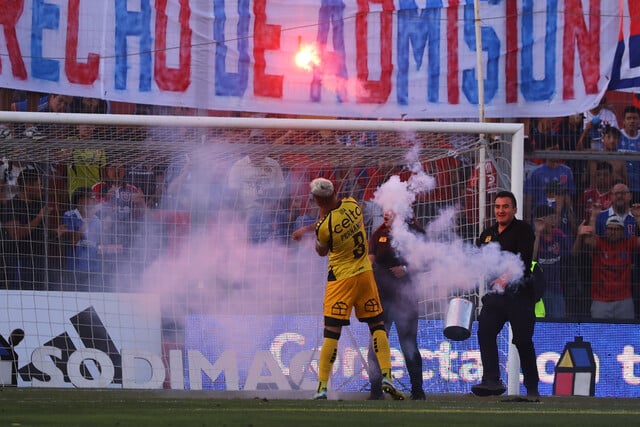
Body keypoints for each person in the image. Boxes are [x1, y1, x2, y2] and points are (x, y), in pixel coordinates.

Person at [294, 177, 405, 400]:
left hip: (341, 280)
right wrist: (308, 228)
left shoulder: (324, 227)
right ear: (334, 192)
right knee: (377, 326)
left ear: (317, 200)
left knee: (331, 332)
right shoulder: (353, 205)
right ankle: (387, 376)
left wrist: (309, 233)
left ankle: (322, 388)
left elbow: (321, 251)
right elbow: (332, 216)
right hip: (365, 275)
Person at [471, 191, 539, 397]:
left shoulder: (523, 230)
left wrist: (505, 277)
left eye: (505, 206)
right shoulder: (487, 234)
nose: (501, 210)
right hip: (496, 295)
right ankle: (491, 380)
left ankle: (532, 388)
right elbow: (478, 260)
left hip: (519, 294)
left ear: (514, 209)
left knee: (522, 341)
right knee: (485, 331)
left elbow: (524, 259)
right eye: (498, 206)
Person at [366, 210, 425, 400]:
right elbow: (369, 261)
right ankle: (375, 391)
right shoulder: (378, 234)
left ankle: (418, 392)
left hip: (405, 299)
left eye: (391, 209)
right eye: (384, 209)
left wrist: (406, 269)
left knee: (408, 345)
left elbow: (426, 261)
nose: (386, 214)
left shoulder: (415, 233)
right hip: (381, 298)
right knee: (375, 345)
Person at [572, 210, 640, 320]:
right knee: (599, 330)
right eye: (610, 229)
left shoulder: (628, 243)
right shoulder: (600, 243)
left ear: (622, 231)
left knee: (626, 330)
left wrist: (638, 219)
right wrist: (593, 217)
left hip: (624, 300)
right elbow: (588, 241)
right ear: (605, 230)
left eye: (616, 229)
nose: (613, 232)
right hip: (601, 301)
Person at [0, 168, 54, 290]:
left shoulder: (39, 204)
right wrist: (39, 217)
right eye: (39, 184)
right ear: (28, 184)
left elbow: (40, 233)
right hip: (19, 261)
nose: (41, 188)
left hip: (40, 261)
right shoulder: (12, 205)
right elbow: (16, 234)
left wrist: (56, 232)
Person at [532, 205, 571, 319]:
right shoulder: (533, 236)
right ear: (541, 220)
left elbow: (573, 252)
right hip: (538, 290)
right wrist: (537, 234)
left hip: (556, 289)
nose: (554, 223)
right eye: (551, 219)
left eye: (554, 219)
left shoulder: (558, 234)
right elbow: (531, 259)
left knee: (558, 323)